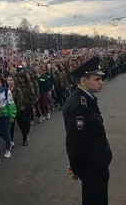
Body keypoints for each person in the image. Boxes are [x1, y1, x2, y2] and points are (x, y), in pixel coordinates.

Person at [62, 56, 112, 205]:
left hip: (95, 164)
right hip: (93, 167)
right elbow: (75, 141)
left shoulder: (85, 99)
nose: (102, 82)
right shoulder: (79, 105)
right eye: (97, 79)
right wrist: (76, 167)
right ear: (84, 81)